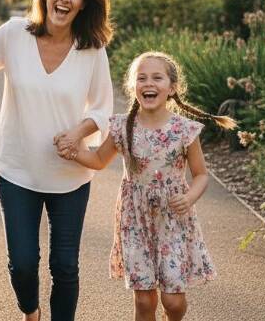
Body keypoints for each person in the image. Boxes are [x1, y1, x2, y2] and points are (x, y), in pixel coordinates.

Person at [55, 51, 236, 321]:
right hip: (135, 220)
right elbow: (98, 160)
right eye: (141, 78)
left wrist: (189, 198)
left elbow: (201, 175)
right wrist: (72, 150)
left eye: (157, 78)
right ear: (133, 87)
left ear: (172, 88)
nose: (148, 83)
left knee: (173, 302)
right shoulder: (121, 127)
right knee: (143, 300)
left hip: (173, 220)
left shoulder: (184, 130)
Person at [0, 0, 114, 321]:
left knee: (65, 266)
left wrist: (78, 133)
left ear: (83, 4)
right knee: (23, 264)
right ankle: (31, 312)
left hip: (70, 177)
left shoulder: (91, 49)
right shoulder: (14, 34)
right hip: (17, 170)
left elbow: (103, 109)